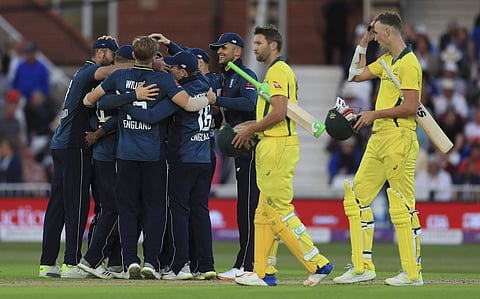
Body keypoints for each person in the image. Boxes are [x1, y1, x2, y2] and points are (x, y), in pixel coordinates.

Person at [82, 35, 215, 280]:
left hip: (125, 154)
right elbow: (187, 104)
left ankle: (130, 259)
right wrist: (208, 98)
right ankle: (151, 262)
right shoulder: (164, 80)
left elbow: (89, 100)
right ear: (155, 57)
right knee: (155, 209)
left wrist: (127, 99)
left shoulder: (118, 77)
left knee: (127, 209)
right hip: (154, 155)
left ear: (133, 55)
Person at [231, 24, 333, 287]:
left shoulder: (278, 71)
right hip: (273, 144)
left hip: (277, 146)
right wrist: (252, 126)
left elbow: (278, 112)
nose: (254, 48)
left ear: (273, 45)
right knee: (262, 213)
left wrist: (251, 129)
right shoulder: (278, 71)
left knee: (279, 210)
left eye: (259, 43)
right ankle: (263, 273)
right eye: (254, 44)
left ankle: (317, 263)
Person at [333, 11, 424, 286]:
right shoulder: (386, 61)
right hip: (379, 137)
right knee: (356, 198)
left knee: (401, 205)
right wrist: (362, 41)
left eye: (376, 33)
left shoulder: (409, 63)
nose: (375, 38)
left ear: (387, 33)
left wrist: (374, 113)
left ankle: (412, 273)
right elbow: (354, 75)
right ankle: (362, 267)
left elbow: (410, 106)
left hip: (400, 137)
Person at [39, 36, 122, 279]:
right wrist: (141, 66)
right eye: (112, 55)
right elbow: (110, 72)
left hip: (60, 144)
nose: (113, 60)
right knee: (77, 204)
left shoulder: (80, 73)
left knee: (57, 205)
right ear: (101, 54)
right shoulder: (89, 71)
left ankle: (47, 263)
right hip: (75, 144)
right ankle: (71, 262)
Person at [77, 45, 135, 279]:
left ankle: (112, 260)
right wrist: (99, 134)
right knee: (110, 209)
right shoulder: (119, 82)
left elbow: (94, 104)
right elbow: (116, 114)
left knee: (109, 209)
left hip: (106, 154)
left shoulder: (108, 83)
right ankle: (93, 259)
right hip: (108, 155)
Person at [208, 32, 260, 280]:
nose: (219, 52)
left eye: (224, 48)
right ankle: (246, 261)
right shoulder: (226, 76)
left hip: (251, 147)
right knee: (244, 206)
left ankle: (248, 264)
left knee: (249, 206)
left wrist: (217, 99)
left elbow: (251, 105)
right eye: (218, 49)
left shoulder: (244, 74)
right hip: (238, 148)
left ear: (237, 51)